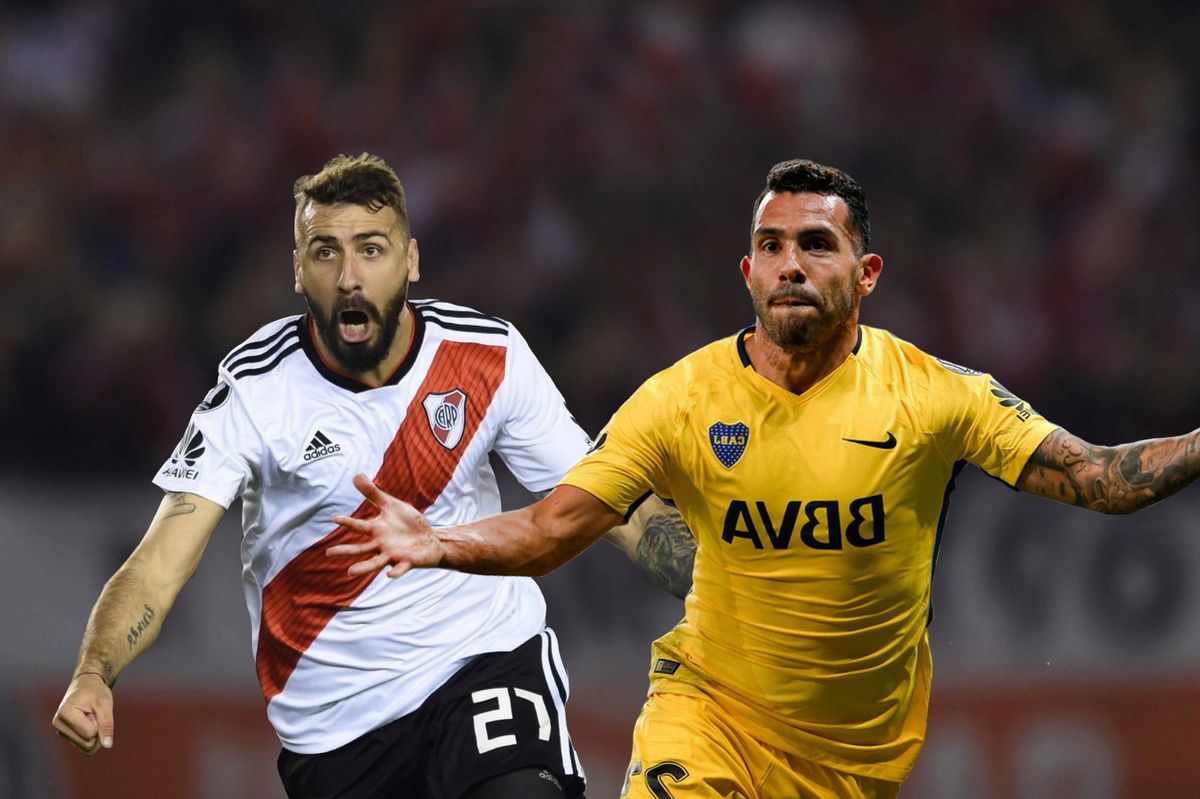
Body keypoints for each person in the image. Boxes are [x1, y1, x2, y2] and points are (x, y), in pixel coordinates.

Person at [326, 159, 1200, 798]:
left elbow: (1100, 476)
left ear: (866, 274)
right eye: (770, 245)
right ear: (747, 272)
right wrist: (437, 540)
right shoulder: (679, 401)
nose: (790, 263)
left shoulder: (936, 398)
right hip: (707, 714)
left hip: (851, 763)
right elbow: (551, 527)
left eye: (816, 245)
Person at [50, 153, 696, 799]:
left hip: (482, 659)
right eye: (325, 253)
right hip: (335, 723)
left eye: (371, 249)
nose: (350, 277)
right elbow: (160, 562)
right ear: (298, 270)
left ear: (410, 261)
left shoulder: (488, 357)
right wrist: (94, 672)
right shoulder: (254, 389)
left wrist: (725, 585)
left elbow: (611, 504)